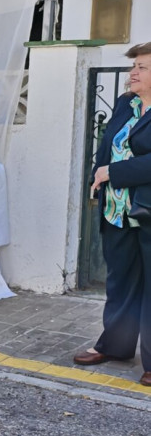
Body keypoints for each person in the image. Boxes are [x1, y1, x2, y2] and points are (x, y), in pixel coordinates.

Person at [77, 42, 151, 387]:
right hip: (117, 209)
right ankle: (116, 346)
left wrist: (114, 172)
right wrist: (98, 173)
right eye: (134, 66)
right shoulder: (125, 103)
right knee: (120, 281)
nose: (133, 73)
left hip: (148, 209)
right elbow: (107, 146)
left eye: (142, 67)